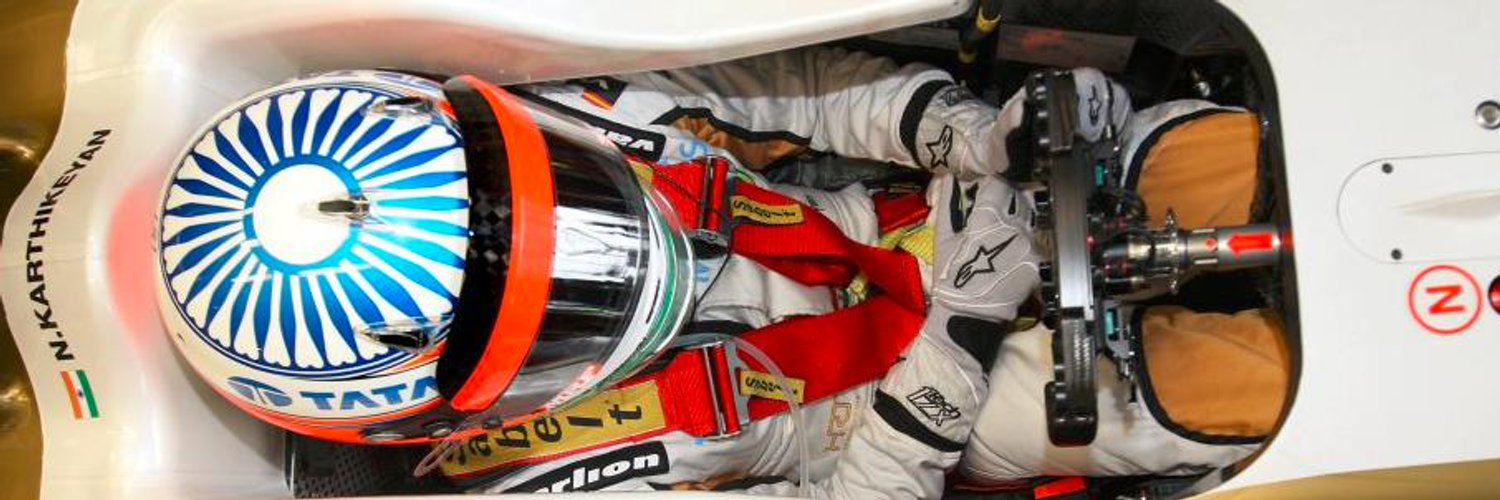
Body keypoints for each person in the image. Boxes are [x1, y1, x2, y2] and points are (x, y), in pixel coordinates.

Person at [153, 46, 1079, 498]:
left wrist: (963, 131)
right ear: (439, 409)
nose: (597, 253)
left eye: (556, 196)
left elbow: (799, 94)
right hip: (887, 426)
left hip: (896, 218)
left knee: (1122, 149)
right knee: (1137, 401)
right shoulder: (543, 487)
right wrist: (955, 348)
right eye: (540, 307)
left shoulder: (555, 101)